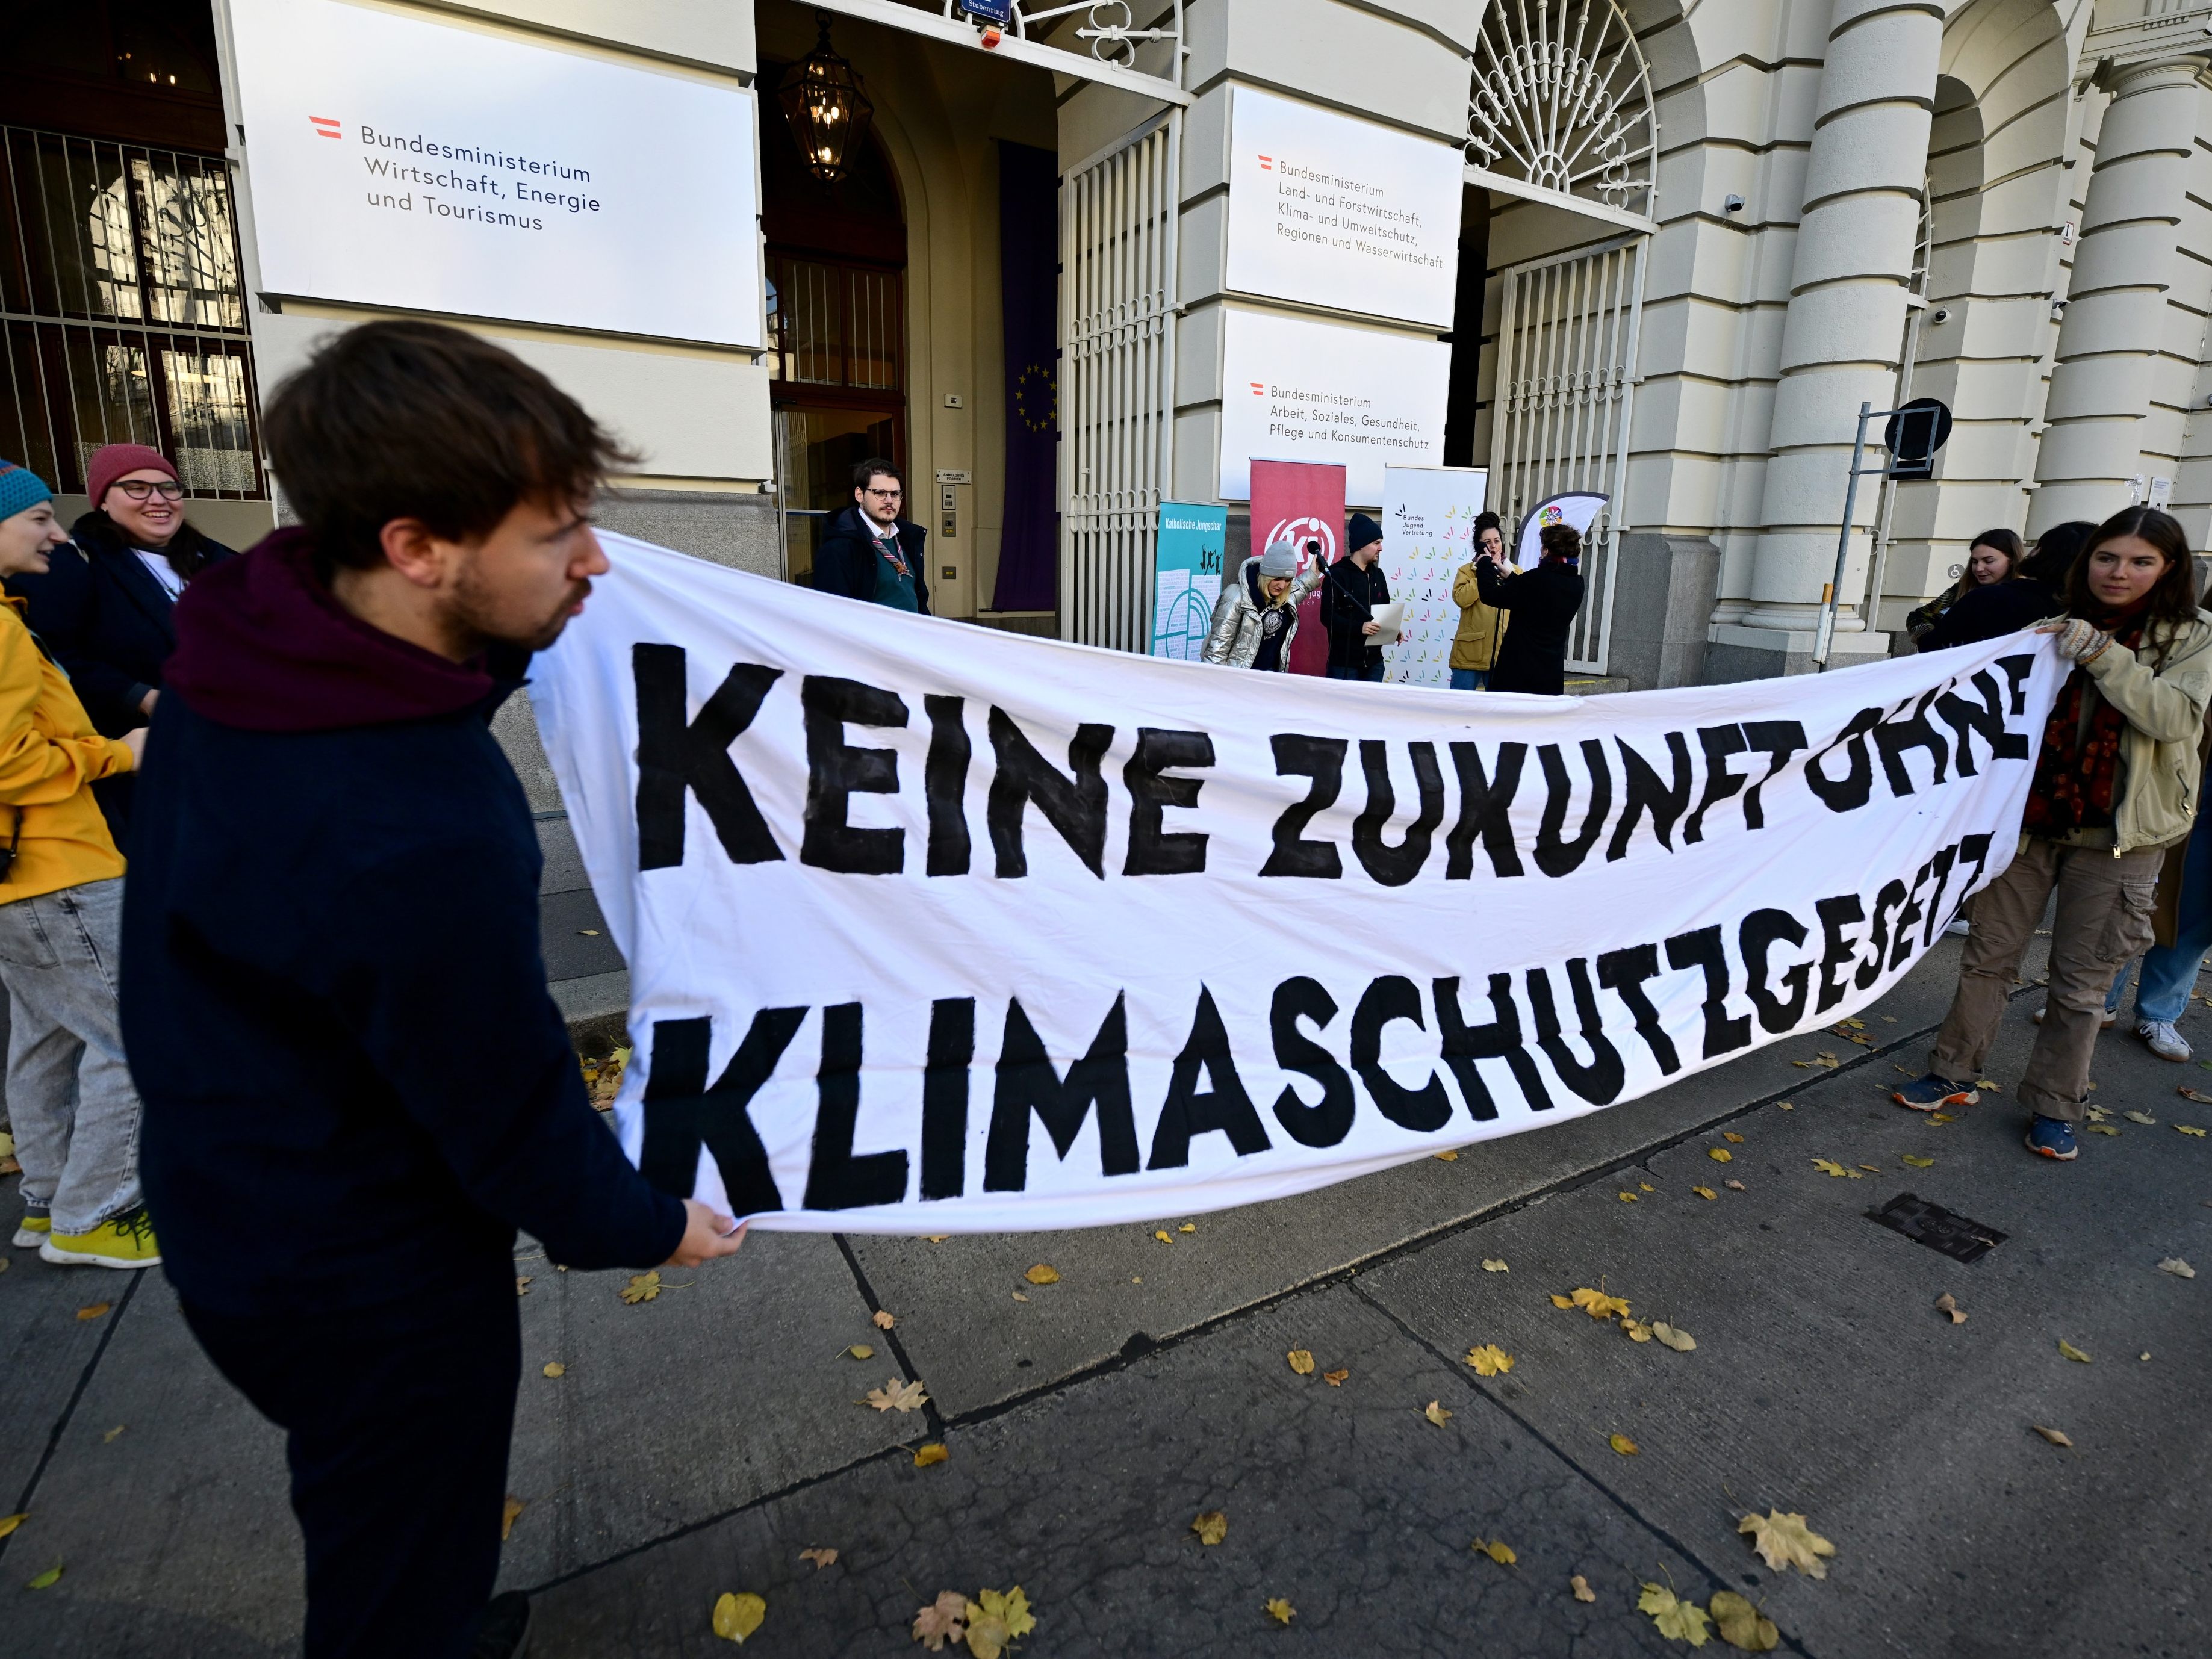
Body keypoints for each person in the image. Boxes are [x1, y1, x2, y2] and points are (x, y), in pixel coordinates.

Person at [123, 322, 747, 1659]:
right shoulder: (407, 824)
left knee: (383, 1509)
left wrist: (519, 622)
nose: (594, 562)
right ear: (414, 548)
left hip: (239, 1188)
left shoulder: (249, 641)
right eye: (556, 535)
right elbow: (506, 1104)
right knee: (398, 1555)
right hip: (362, 1266)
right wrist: (649, 1224)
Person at [1895, 506, 2212, 1161]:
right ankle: (1952, 1072)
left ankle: (2054, 1104)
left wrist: (2101, 654)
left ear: (2168, 568)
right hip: (2028, 824)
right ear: (2085, 561)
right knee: (1987, 957)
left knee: (2081, 983)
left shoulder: (2191, 634)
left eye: (2140, 561)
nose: (2118, 572)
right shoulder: (2051, 621)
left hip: (2121, 836)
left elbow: (2172, 718)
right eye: (2106, 557)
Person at [0, 460, 154, 1271]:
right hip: (59, 867)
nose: (58, 534)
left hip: (24, 878)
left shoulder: (11, 617)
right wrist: (119, 755)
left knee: (47, 1038)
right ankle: (99, 1211)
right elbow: (8, 760)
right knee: (137, 1034)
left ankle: (51, 1197)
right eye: (37, 520)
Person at [7, 444, 240, 843]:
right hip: (141, 765)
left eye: (169, 488)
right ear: (103, 500)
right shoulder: (72, 564)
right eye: (136, 488)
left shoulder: (221, 561)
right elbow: (54, 657)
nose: (158, 500)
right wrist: (141, 697)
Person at [1916, 522, 2089, 653]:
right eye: (1974, 561)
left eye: (1989, 561)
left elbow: (1933, 648)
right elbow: (1920, 619)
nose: (1979, 568)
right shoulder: (1964, 590)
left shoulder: (1986, 599)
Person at [1477, 519, 1586, 695]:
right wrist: (1511, 577)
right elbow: (1538, 599)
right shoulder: (1577, 583)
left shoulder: (1536, 579)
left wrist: (1484, 564)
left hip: (1519, 674)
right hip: (1550, 675)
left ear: (1547, 551)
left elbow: (1490, 595)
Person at [811, 458, 931, 614]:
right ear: (859, 495)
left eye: (895, 494)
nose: (889, 501)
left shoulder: (908, 539)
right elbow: (831, 613)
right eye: (880, 493)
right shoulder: (839, 548)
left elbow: (916, 599)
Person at [1203, 539, 1323, 669]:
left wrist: (1312, 574)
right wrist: (1219, 680)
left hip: (1272, 676)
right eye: (1277, 579)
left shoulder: (1285, 595)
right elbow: (1217, 651)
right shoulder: (1236, 597)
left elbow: (1300, 588)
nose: (1282, 586)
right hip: (1241, 678)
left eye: (1288, 580)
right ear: (1266, 575)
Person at [1322, 512, 1389, 681]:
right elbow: (1327, 617)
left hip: (1375, 663)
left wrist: (1391, 630)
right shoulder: (1336, 575)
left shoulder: (1379, 575)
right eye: (1376, 543)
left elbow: (1384, 610)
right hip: (1344, 665)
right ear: (1361, 545)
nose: (1381, 548)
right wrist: (1359, 628)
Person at [1450, 513, 1509, 689]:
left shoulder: (1514, 572)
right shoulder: (1467, 571)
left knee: (1500, 705)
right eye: (1487, 542)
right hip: (1469, 654)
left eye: (1497, 541)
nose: (1493, 546)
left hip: (1502, 654)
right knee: (1460, 704)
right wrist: (1483, 571)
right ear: (1479, 545)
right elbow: (1462, 599)